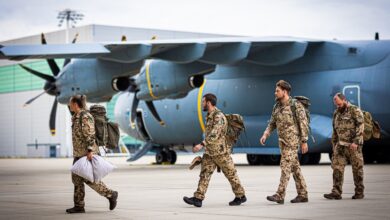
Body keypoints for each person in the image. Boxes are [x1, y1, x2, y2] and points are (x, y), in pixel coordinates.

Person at [183, 93, 246, 207]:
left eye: (203, 102)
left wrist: (201, 144)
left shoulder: (219, 116)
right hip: (210, 152)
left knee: (231, 174)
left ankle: (240, 196)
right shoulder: (210, 115)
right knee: (204, 174)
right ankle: (198, 198)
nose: (202, 104)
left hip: (220, 152)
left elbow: (215, 134)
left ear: (208, 103)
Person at [66, 95, 118, 214]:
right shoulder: (76, 117)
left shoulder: (85, 116)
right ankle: (79, 206)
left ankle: (110, 194)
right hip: (79, 153)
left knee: (89, 180)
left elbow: (90, 134)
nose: (69, 105)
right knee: (76, 179)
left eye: (70, 103)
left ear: (75, 104)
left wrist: (90, 151)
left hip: (86, 153)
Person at [260, 80, 309, 204]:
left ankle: (280, 195)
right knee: (295, 168)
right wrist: (265, 134)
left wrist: (304, 141)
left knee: (285, 166)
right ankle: (303, 194)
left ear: (285, 92)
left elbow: (303, 124)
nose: (275, 93)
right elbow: (272, 123)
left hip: (292, 142)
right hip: (282, 142)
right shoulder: (276, 106)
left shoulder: (295, 105)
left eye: (277, 91)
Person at [324, 93, 365, 200]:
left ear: (344, 100)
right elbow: (335, 130)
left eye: (339, 104)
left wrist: (356, 142)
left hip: (353, 146)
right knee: (337, 169)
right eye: (336, 104)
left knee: (357, 170)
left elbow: (361, 126)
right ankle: (336, 192)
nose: (338, 106)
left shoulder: (354, 110)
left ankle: (359, 192)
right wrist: (334, 145)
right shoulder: (336, 112)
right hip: (340, 146)